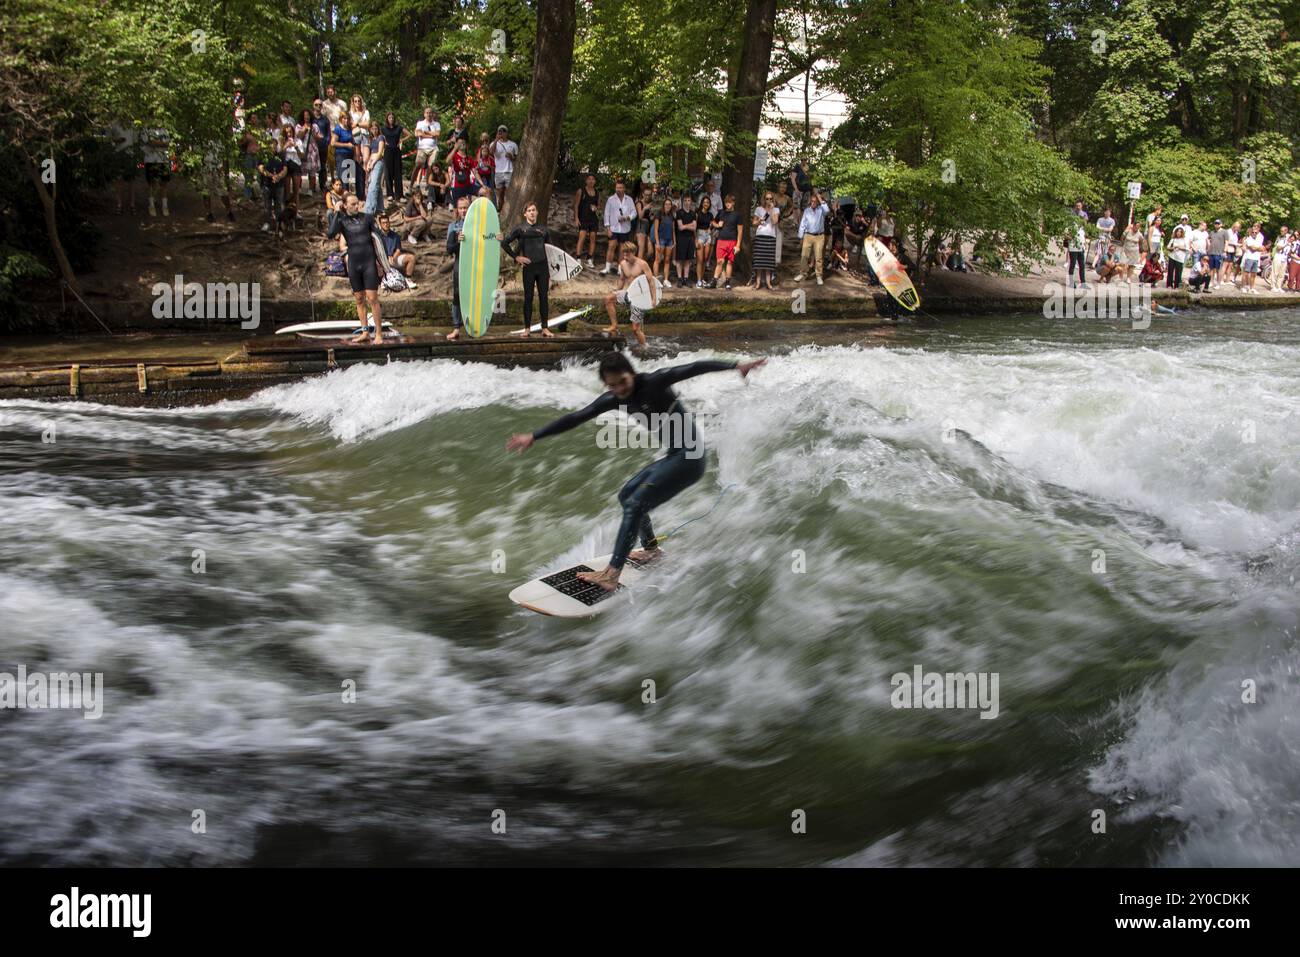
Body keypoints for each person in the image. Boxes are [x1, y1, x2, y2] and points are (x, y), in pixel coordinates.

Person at [505, 353, 767, 591]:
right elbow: (576, 417)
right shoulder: (614, 399)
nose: (619, 389)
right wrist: (534, 436)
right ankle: (652, 550)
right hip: (676, 455)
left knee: (635, 503)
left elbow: (695, 367)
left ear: (632, 373)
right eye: (612, 385)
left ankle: (611, 574)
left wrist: (736, 366)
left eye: (622, 381)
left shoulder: (656, 381)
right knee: (627, 495)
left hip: (691, 458)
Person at [326, 193, 383, 345]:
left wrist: (381, 263)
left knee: (372, 298)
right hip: (354, 263)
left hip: (369, 262)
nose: (356, 206)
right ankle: (365, 331)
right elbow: (330, 234)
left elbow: (379, 238)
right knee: (359, 298)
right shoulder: (341, 220)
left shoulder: (367, 218)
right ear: (344, 205)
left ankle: (378, 333)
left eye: (357, 203)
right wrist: (337, 212)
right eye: (352, 204)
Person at [501, 200, 554, 337]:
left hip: (543, 268)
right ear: (525, 214)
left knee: (544, 297)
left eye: (533, 210)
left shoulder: (544, 230)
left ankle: (545, 328)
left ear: (537, 212)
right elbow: (505, 243)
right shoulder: (520, 229)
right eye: (529, 210)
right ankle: (527, 328)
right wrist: (516, 257)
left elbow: (551, 252)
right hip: (529, 268)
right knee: (528, 297)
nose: (531, 212)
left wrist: (552, 274)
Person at [605, 242, 656, 348]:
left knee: (635, 329)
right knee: (609, 298)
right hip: (629, 293)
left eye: (627, 254)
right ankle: (614, 325)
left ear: (633, 253)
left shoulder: (642, 264)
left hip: (640, 298)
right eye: (623, 254)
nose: (625, 257)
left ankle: (644, 347)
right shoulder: (623, 264)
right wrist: (616, 291)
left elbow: (651, 282)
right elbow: (622, 280)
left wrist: (654, 299)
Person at [705, 194, 743, 289]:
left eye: (730, 202)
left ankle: (727, 282)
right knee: (719, 261)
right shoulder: (721, 213)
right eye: (726, 202)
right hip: (721, 240)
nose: (728, 204)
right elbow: (712, 221)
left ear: (733, 203)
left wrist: (738, 245)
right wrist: (717, 225)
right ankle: (714, 281)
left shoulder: (737, 215)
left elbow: (740, 231)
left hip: (732, 241)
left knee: (730, 262)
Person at [445, 195, 470, 340]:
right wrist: (459, 242)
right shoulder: (453, 227)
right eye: (461, 208)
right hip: (460, 263)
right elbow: (449, 249)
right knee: (457, 295)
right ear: (457, 210)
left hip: (475, 265)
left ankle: (473, 327)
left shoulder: (478, 225)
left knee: (474, 295)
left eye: (465, 207)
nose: (463, 211)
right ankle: (456, 328)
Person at [601, 179, 636, 275]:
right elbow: (606, 214)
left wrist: (627, 218)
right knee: (611, 246)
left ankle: (620, 269)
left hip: (625, 229)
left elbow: (634, 212)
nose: (618, 189)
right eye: (617, 187)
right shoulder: (611, 200)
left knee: (622, 249)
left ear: (624, 188)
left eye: (620, 187)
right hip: (614, 228)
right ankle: (607, 268)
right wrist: (608, 228)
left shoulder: (629, 200)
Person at [196, 142, 234, 224]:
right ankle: (209, 213)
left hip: (218, 169)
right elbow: (197, 156)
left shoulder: (220, 141)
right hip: (206, 169)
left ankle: (229, 211)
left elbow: (224, 158)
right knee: (206, 192)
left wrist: (225, 173)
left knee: (223, 193)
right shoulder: (201, 140)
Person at [795, 191, 828, 285]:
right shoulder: (807, 210)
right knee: (804, 256)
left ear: (817, 202)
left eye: (815, 201)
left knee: (818, 257)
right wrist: (800, 237)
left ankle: (818, 276)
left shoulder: (821, 210)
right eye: (812, 201)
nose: (813, 203)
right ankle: (802, 273)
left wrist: (820, 198)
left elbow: (827, 210)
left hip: (819, 236)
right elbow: (802, 224)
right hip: (808, 235)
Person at [107, 120, 139, 215]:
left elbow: (135, 141)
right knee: (118, 180)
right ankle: (119, 205)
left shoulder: (133, 125)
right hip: (118, 155)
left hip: (130, 155)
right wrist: (116, 141)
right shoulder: (114, 124)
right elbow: (109, 139)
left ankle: (132, 205)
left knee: (132, 181)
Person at [257, 138, 289, 234]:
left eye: (275, 145)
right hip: (267, 184)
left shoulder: (280, 156)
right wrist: (271, 176)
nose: (273, 147)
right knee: (267, 205)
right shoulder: (263, 156)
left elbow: (285, 169)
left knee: (278, 205)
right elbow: (261, 168)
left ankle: (279, 224)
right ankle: (267, 223)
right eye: (271, 145)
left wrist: (279, 176)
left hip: (279, 185)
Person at [377, 213, 417, 286]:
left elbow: (398, 249)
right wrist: (386, 257)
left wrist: (394, 257)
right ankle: (383, 280)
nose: (386, 224)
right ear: (380, 224)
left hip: (393, 259)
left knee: (411, 258)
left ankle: (408, 278)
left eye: (387, 222)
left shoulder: (395, 236)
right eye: (383, 223)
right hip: (382, 259)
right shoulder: (377, 236)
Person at [141, 125, 172, 217]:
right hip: (151, 160)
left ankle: (165, 206)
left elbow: (167, 144)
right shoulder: (146, 129)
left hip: (163, 160)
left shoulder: (165, 130)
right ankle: (151, 205)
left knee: (164, 183)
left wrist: (156, 143)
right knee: (152, 183)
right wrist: (160, 143)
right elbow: (149, 142)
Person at [751, 191, 779, 289]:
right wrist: (759, 221)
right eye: (767, 199)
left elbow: (775, 221)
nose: (769, 200)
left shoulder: (776, 209)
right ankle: (758, 282)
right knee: (759, 261)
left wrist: (771, 210)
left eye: (771, 199)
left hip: (771, 236)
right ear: (764, 199)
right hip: (760, 235)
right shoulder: (759, 209)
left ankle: (768, 283)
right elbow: (754, 223)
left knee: (768, 261)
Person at [574, 173, 601, 269]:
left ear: (595, 181)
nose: (591, 181)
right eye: (589, 179)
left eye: (593, 179)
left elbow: (598, 206)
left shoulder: (597, 193)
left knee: (593, 238)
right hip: (583, 218)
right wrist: (576, 218)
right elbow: (576, 205)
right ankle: (578, 258)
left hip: (593, 219)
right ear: (586, 180)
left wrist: (596, 208)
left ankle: (589, 259)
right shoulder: (581, 191)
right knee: (582, 237)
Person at [672, 193, 697, 288]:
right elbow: (680, 227)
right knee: (680, 260)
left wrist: (686, 226)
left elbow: (694, 227)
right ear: (683, 202)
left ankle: (685, 279)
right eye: (685, 200)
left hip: (690, 238)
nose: (687, 202)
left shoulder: (693, 213)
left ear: (691, 202)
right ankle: (679, 279)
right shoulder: (679, 213)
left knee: (687, 260)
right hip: (681, 238)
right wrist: (689, 225)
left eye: (689, 200)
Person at [380, 112, 406, 202]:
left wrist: (402, 140)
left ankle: (400, 195)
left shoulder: (398, 128)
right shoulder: (383, 128)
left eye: (392, 117)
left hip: (396, 150)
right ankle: (390, 194)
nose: (391, 119)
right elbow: (377, 136)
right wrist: (383, 142)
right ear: (387, 119)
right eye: (389, 118)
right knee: (388, 173)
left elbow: (409, 134)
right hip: (387, 151)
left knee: (398, 173)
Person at [330, 114, 358, 199]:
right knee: (344, 179)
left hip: (350, 156)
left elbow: (354, 142)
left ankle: (351, 200)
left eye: (347, 118)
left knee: (352, 180)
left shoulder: (350, 129)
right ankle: (343, 199)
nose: (346, 120)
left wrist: (355, 155)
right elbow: (333, 143)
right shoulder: (338, 128)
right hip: (341, 155)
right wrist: (346, 145)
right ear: (341, 119)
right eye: (344, 118)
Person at [412, 108, 440, 190]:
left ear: (433, 114)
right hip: (422, 148)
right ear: (424, 114)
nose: (429, 114)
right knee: (418, 165)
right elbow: (417, 134)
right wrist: (431, 135)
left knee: (431, 166)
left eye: (430, 113)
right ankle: (413, 185)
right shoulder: (420, 123)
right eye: (427, 113)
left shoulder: (436, 124)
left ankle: (428, 184)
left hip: (433, 148)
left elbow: (437, 134)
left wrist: (425, 132)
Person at [491, 125, 518, 209]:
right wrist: (496, 140)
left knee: (509, 192)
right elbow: (491, 151)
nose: (501, 133)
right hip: (498, 171)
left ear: (507, 133)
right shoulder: (494, 143)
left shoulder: (513, 144)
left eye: (503, 131)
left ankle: (508, 209)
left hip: (509, 171)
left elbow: (518, 159)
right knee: (500, 193)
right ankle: (501, 209)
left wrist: (512, 157)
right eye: (499, 131)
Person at [363, 120, 386, 215]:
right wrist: (368, 163)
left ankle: (369, 210)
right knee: (375, 185)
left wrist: (373, 163)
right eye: (372, 128)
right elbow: (370, 152)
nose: (374, 130)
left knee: (373, 185)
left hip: (378, 162)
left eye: (376, 128)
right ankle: (380, 208)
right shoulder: (371, 139)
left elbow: (380, 153)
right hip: (372, 161)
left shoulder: (381, 137)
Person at [280, 123, 304, 211]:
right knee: (287, 190)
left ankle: (296, 209)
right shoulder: (282, 141)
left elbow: (302, 155)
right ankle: (286, 209)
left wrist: (296, 147)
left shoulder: (298, 141)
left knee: (296, 190)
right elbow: (279, 153)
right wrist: (285, 146)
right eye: (287, 133)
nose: (289, 134)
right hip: (286, 165)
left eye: (290, 132)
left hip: (296, 165)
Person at [652, 198, 675, 285]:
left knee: (667, 260)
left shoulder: (671, 216)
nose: (668, 206)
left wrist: (674, 241)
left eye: (669, 204)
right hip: (661, 239)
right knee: (658, 259)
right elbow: (655, 230)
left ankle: (665, 279)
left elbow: (673, 230)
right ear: (663, 205)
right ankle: (656, 279)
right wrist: (657, 242)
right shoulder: (659, 214)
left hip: (669, 240)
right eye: (666, 204)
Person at [694, 195, 715, 287]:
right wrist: (695, 240)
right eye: (705, 202)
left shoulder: (710, 214)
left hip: (708, 236)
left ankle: (702, 279)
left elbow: (713, 224)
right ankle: (698, 280)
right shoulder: (697, 213)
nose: (706, 204)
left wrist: (711, 228)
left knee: (705, 258)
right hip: (699, 235)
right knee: (700, 259)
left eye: (708, 202)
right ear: (702, 203)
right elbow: (694, 228)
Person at [447, 137, 475, 208]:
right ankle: (456, 219)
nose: (462, 144)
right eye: (460, 142)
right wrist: (455, 148)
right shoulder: (454, 156)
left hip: (468, 185)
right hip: (457, 186)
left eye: (463, 142)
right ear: (456, 144)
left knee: (484, 191)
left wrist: (481, 183)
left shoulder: (469, 158)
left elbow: (475, 171)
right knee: (456, 209)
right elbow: (447, 161)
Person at [1240, 223, 1265, 294]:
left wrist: (1257, 248)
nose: (1254, 233)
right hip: (1249, 257)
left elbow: (1262, 248)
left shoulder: (1260, 237)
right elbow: (1253, 248)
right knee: (1246, 273)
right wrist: (1258, 248)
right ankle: (1243, 287)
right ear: (1251, 233)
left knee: (1254, 274)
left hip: (1256, 258)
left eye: (1256, 232)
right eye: (1253, 232)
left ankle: (1252, 288)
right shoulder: (1248, 239)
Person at [1166, 223, 1189, 288]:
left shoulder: (1185, 240)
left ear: (1182, 233)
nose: (1178, 233)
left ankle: (1176, 285)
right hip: (1172, 256)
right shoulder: (1173, 239)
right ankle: (1169, 284)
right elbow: (1168, 247)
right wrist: (1172, 248)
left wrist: (1179, 247)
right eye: (1177, 232)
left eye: (1180, 232)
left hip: (1180, 258)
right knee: (1170, 271)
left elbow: (1187, 248)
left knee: (1178, 273)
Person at [1065, 217, 1087, 287]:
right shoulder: (1071, 227)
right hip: (1073, 248)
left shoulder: (1082, 228)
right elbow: (1066, 235)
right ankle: (1071, 282)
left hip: (1081, 248)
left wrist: (1084, 244)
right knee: (1073, 265)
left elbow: (1083, 237)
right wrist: (1072, 238)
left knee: (1082, 266)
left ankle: (1083, 282)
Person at [1208, 219, 1228, 286]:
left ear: (1221, 224)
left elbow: (1226, 242)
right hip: (1211, 252)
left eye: (1218, 223)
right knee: (1211, 268)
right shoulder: (1212, 232)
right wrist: (1208, 247)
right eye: (1215, 223)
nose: (1216, 224)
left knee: (1218, 269)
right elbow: (1209, 239)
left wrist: (1225, 251)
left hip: (1219, 253)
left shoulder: (1224, 232)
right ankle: (1211, 282)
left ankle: (1218, 283)